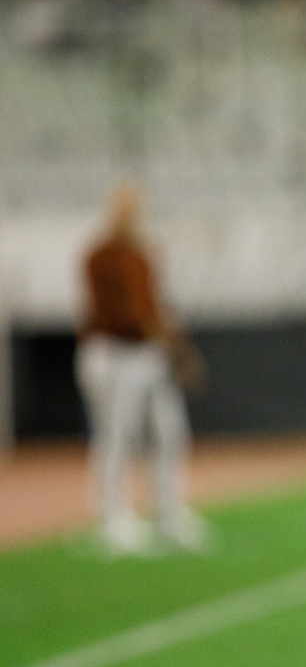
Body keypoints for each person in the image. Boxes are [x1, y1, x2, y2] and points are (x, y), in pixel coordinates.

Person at [76, 182, 207, 554]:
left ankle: (168, 512)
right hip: (113, 352)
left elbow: (153, 307)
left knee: (169, 432)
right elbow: (126, 313)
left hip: (145, 354)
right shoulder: (99, 255)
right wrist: (164, 336)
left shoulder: (144, 255)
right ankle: (113, 518)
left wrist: (176, 347)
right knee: (116, 436)